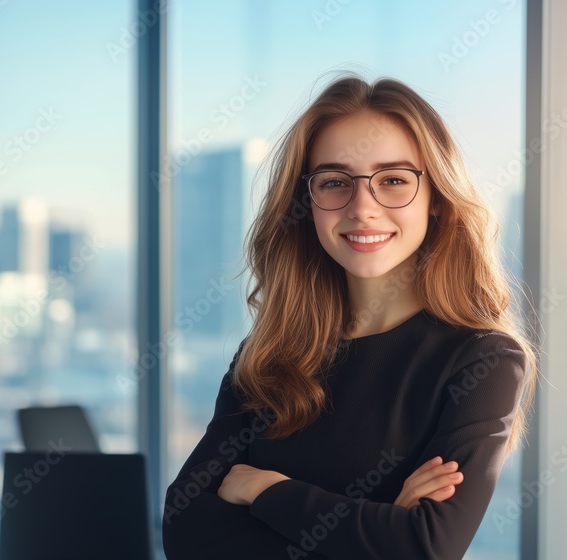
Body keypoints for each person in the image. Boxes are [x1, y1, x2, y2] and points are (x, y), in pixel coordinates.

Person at [161, 74, 537, 560]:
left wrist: (262, 490)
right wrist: (375, 527)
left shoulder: (482, 361)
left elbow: (424, 547)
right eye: (335, 182)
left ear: (438, 201)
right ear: (306, 204)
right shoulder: (270, 352)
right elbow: (184, 532)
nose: (363, 208)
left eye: (395, 180)